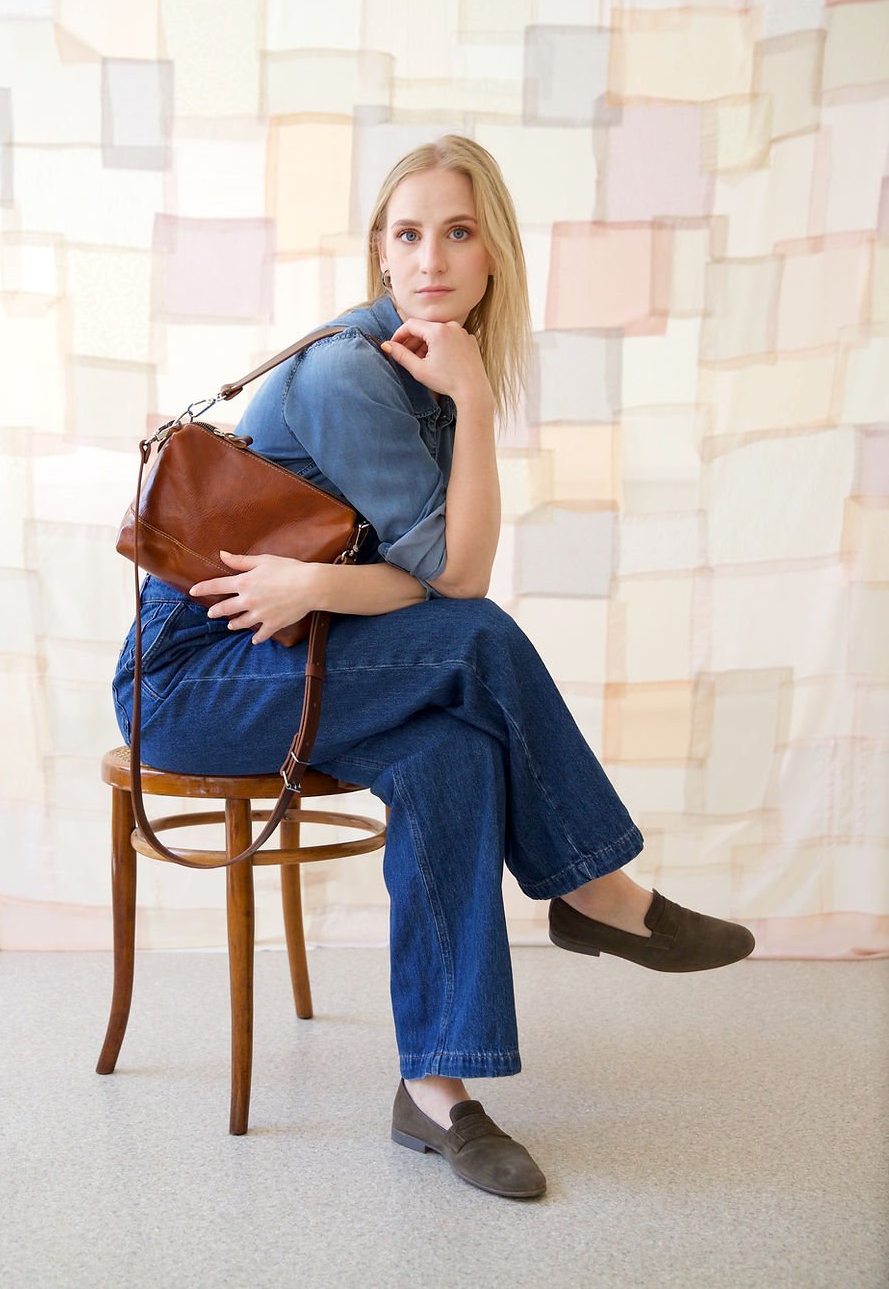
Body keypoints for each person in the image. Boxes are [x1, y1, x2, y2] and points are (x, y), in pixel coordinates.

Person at [112, 135, 754, 1201]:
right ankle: (597, 889)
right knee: (482, 636)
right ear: (378, 249)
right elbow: (460, 581)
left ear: (493, 252)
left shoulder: (425, 370)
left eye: (458, 232)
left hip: (305, 657)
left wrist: (316, 586)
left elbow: (422, 585)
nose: (431, 258)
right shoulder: (348, 372)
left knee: (452, 751)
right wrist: (480, 410)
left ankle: (435, 1088)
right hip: (194, 682)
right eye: (407, 234)